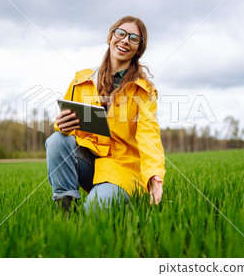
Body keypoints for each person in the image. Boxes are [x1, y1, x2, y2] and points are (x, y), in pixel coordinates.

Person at [46, 15, 165, 212]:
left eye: (134, 38)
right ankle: (65, 213)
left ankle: (100, 200)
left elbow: (149, 134)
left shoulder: (143, 91)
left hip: (122, 171)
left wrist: (155, 175)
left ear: (138, 49)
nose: (126, 40)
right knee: (57, 140)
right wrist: (61, 124)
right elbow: (67, 121)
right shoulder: (82, 80)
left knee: (93, 213)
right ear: (111, 37)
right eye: (121, 33)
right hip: (91, 163)